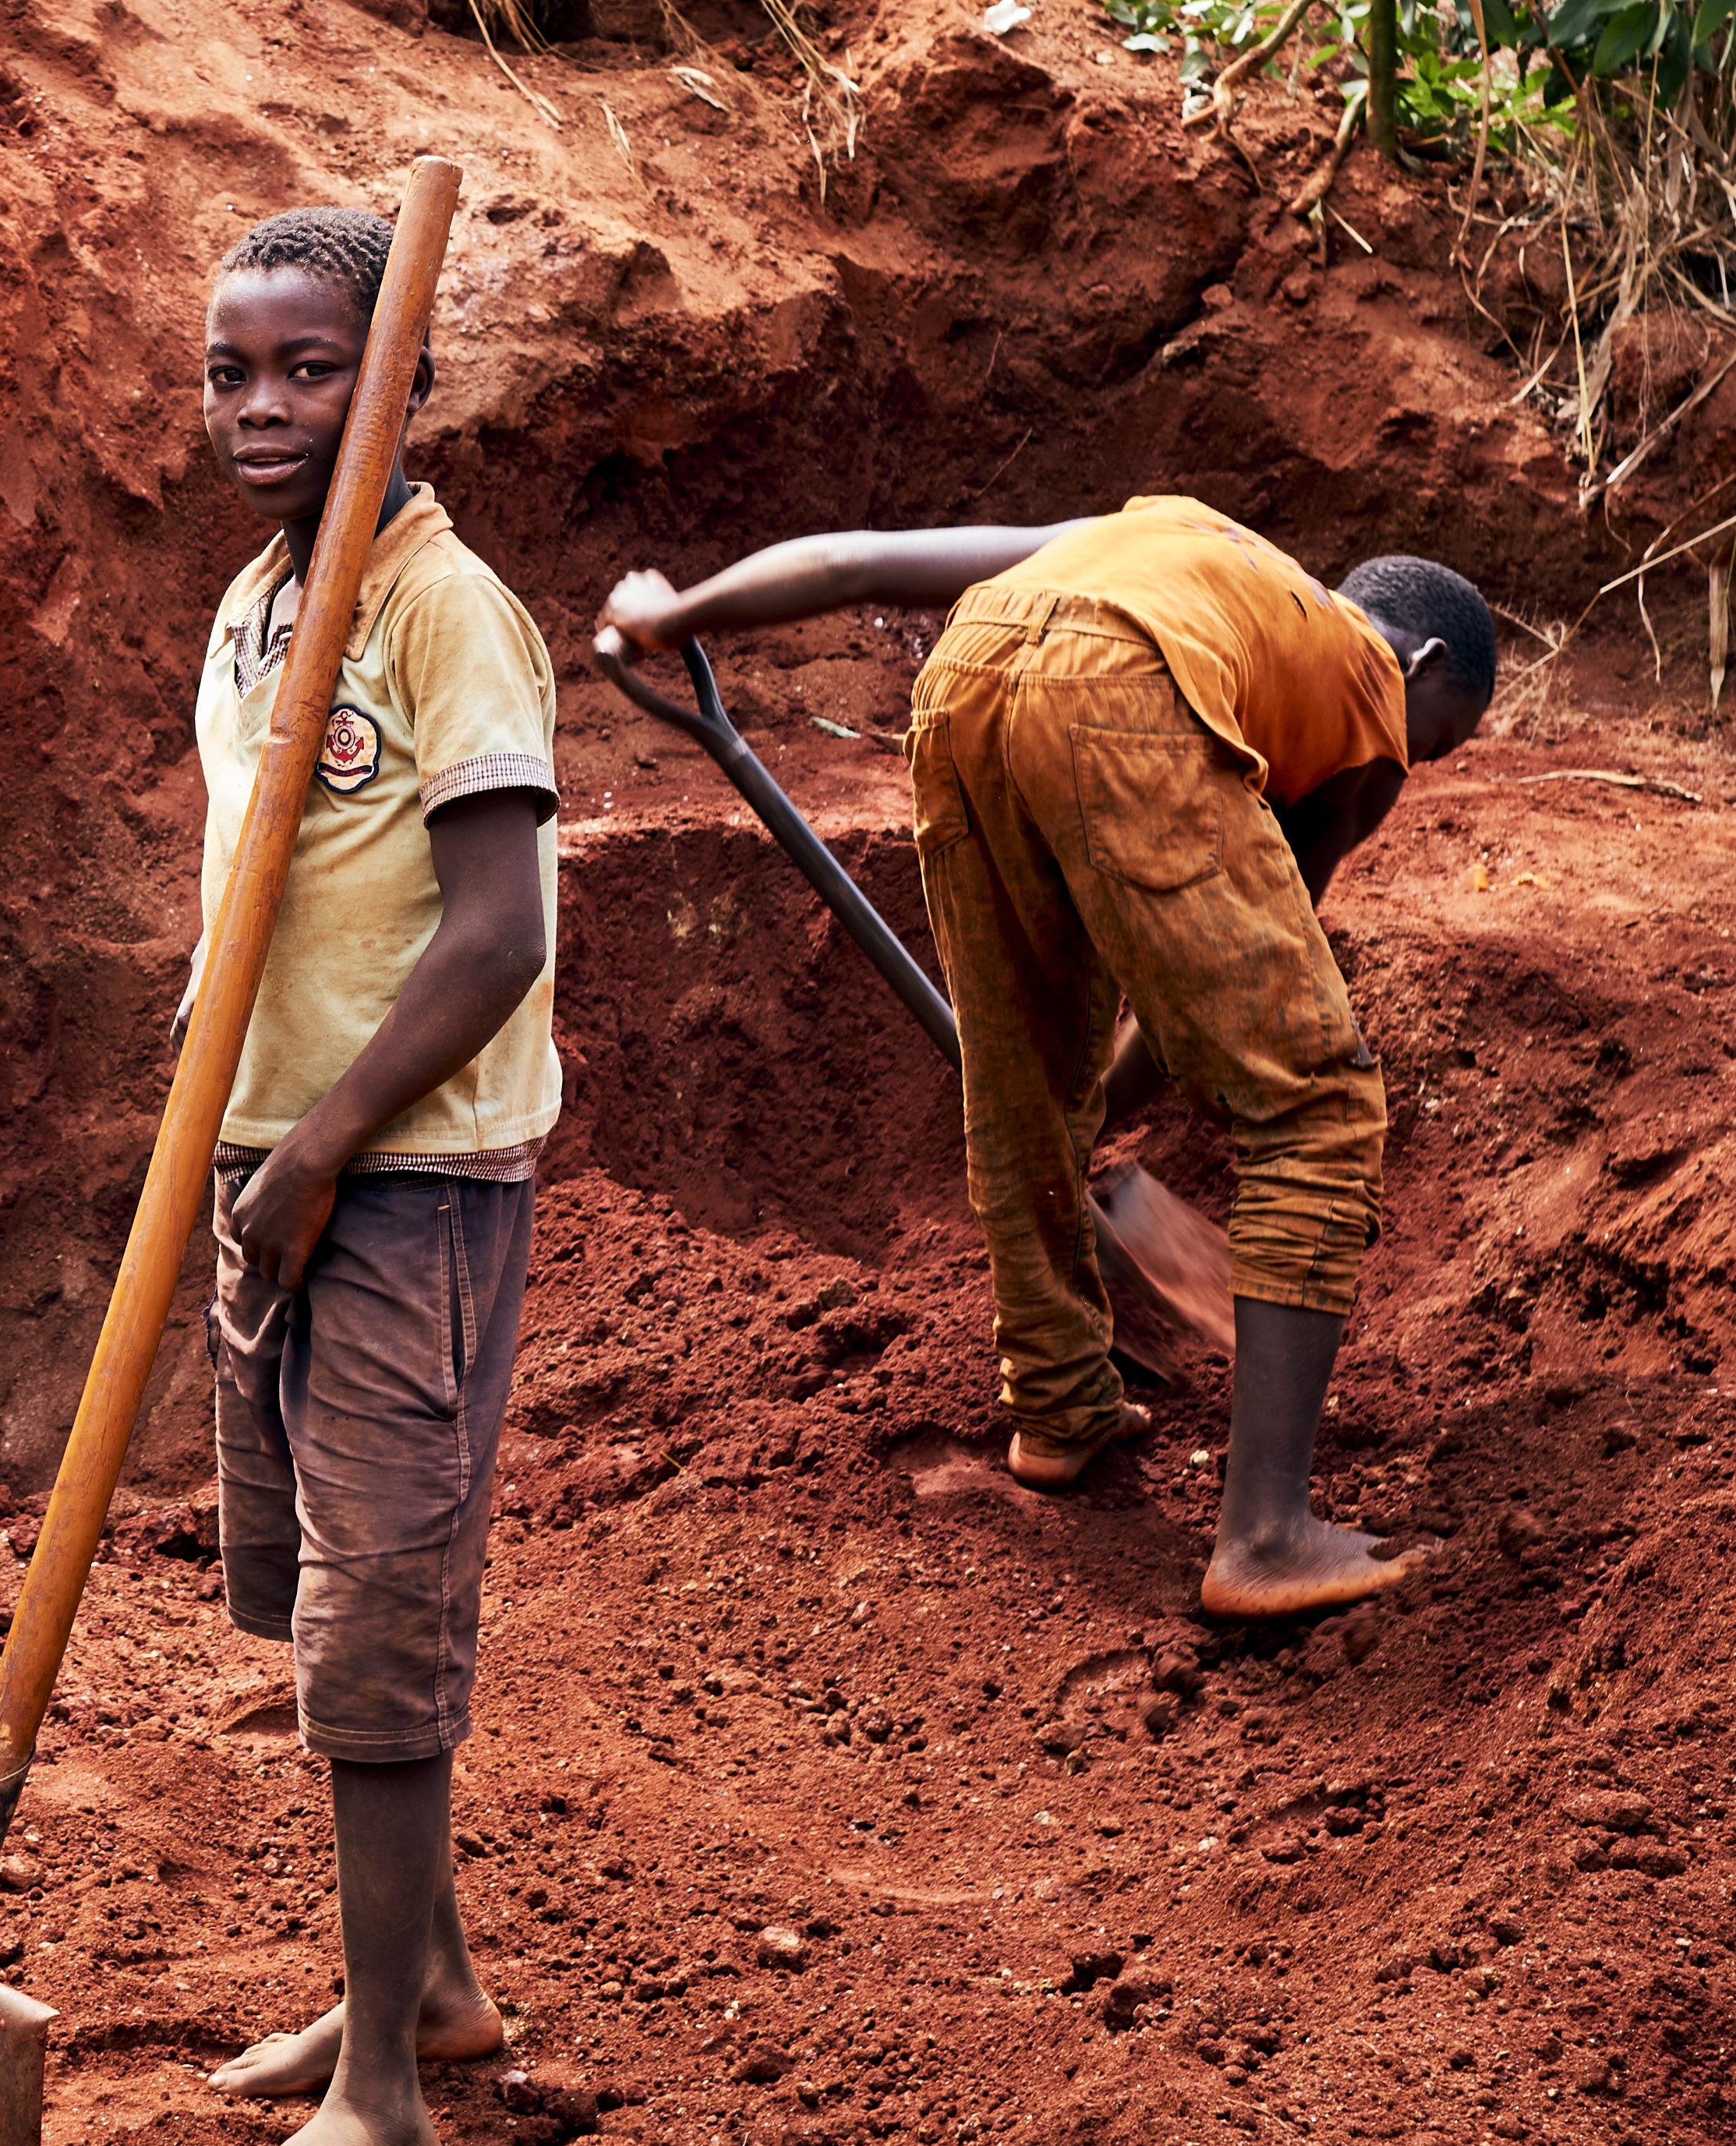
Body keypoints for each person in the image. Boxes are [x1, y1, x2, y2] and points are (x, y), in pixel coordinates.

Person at [599, 497, 1495, 1617]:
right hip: (1126, 694)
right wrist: (1122, 1107)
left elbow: (865, 557)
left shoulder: (1178, 540)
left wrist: (673, 608)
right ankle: (1266, 1536)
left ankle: (1061, 1406)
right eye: (1436, 736)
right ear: (1423, 658)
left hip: (967, 669)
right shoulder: (1367, 690)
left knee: (1020, 1072)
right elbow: (1242, 997)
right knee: (1317, 1104)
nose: (1410, 765)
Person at [177, 208, 560, 2146]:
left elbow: (496, 934)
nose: (260, 404)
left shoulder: (442, 609)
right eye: (230, 369)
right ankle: (424, 1983)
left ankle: (391, 2103)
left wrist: (323, 1142)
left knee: (377, 1635)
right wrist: (235, 1153)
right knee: (315, 1599)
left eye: (309, 366)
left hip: (401, 1185)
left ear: (401, 375)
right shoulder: (261, 605)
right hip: (270, 1170)